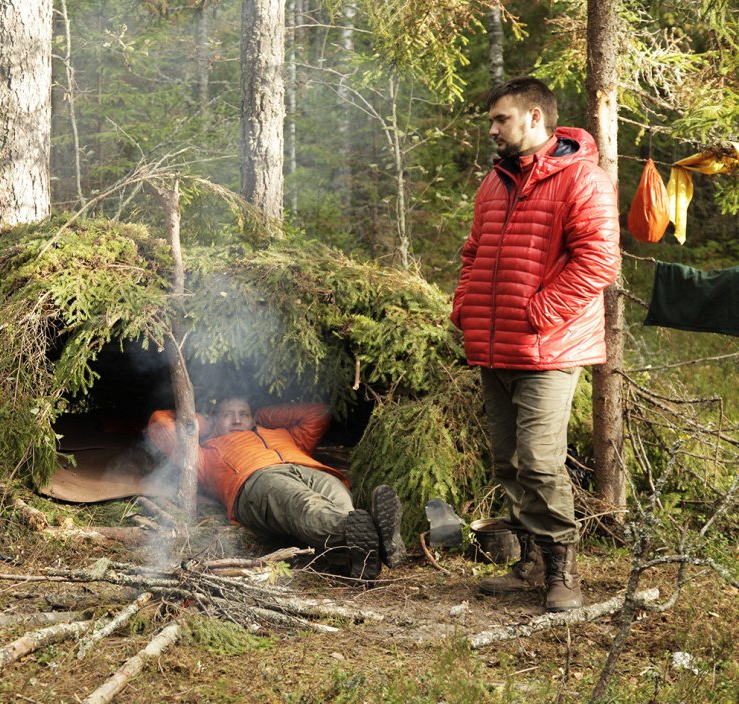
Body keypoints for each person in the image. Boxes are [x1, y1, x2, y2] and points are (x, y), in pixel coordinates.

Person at [451, 77, 620, 612]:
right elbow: (473, 251)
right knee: (508, 462)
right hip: (493, 344)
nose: (493, 129)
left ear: (534, 118)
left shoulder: (583, 181)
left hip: (550, 348)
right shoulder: (495, 182)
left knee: (540, 462)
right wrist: (465, 306)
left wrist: (538, 313)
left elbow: (598, 261)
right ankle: (528, 564)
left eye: (501, 119)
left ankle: (562, 572)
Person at [146, 396, 405, 581]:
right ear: (216, 420)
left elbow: (318, 412)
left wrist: (262, 416)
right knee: (305, 505)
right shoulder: (202, 453)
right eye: (227, 415)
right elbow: (160, 423)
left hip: (310, 469)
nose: (236, 419)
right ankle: (377, 538)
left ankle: (356, 557)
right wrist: (203, 423)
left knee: (338, 499)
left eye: (243, 414)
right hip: (256, 481)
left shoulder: (284, 434)